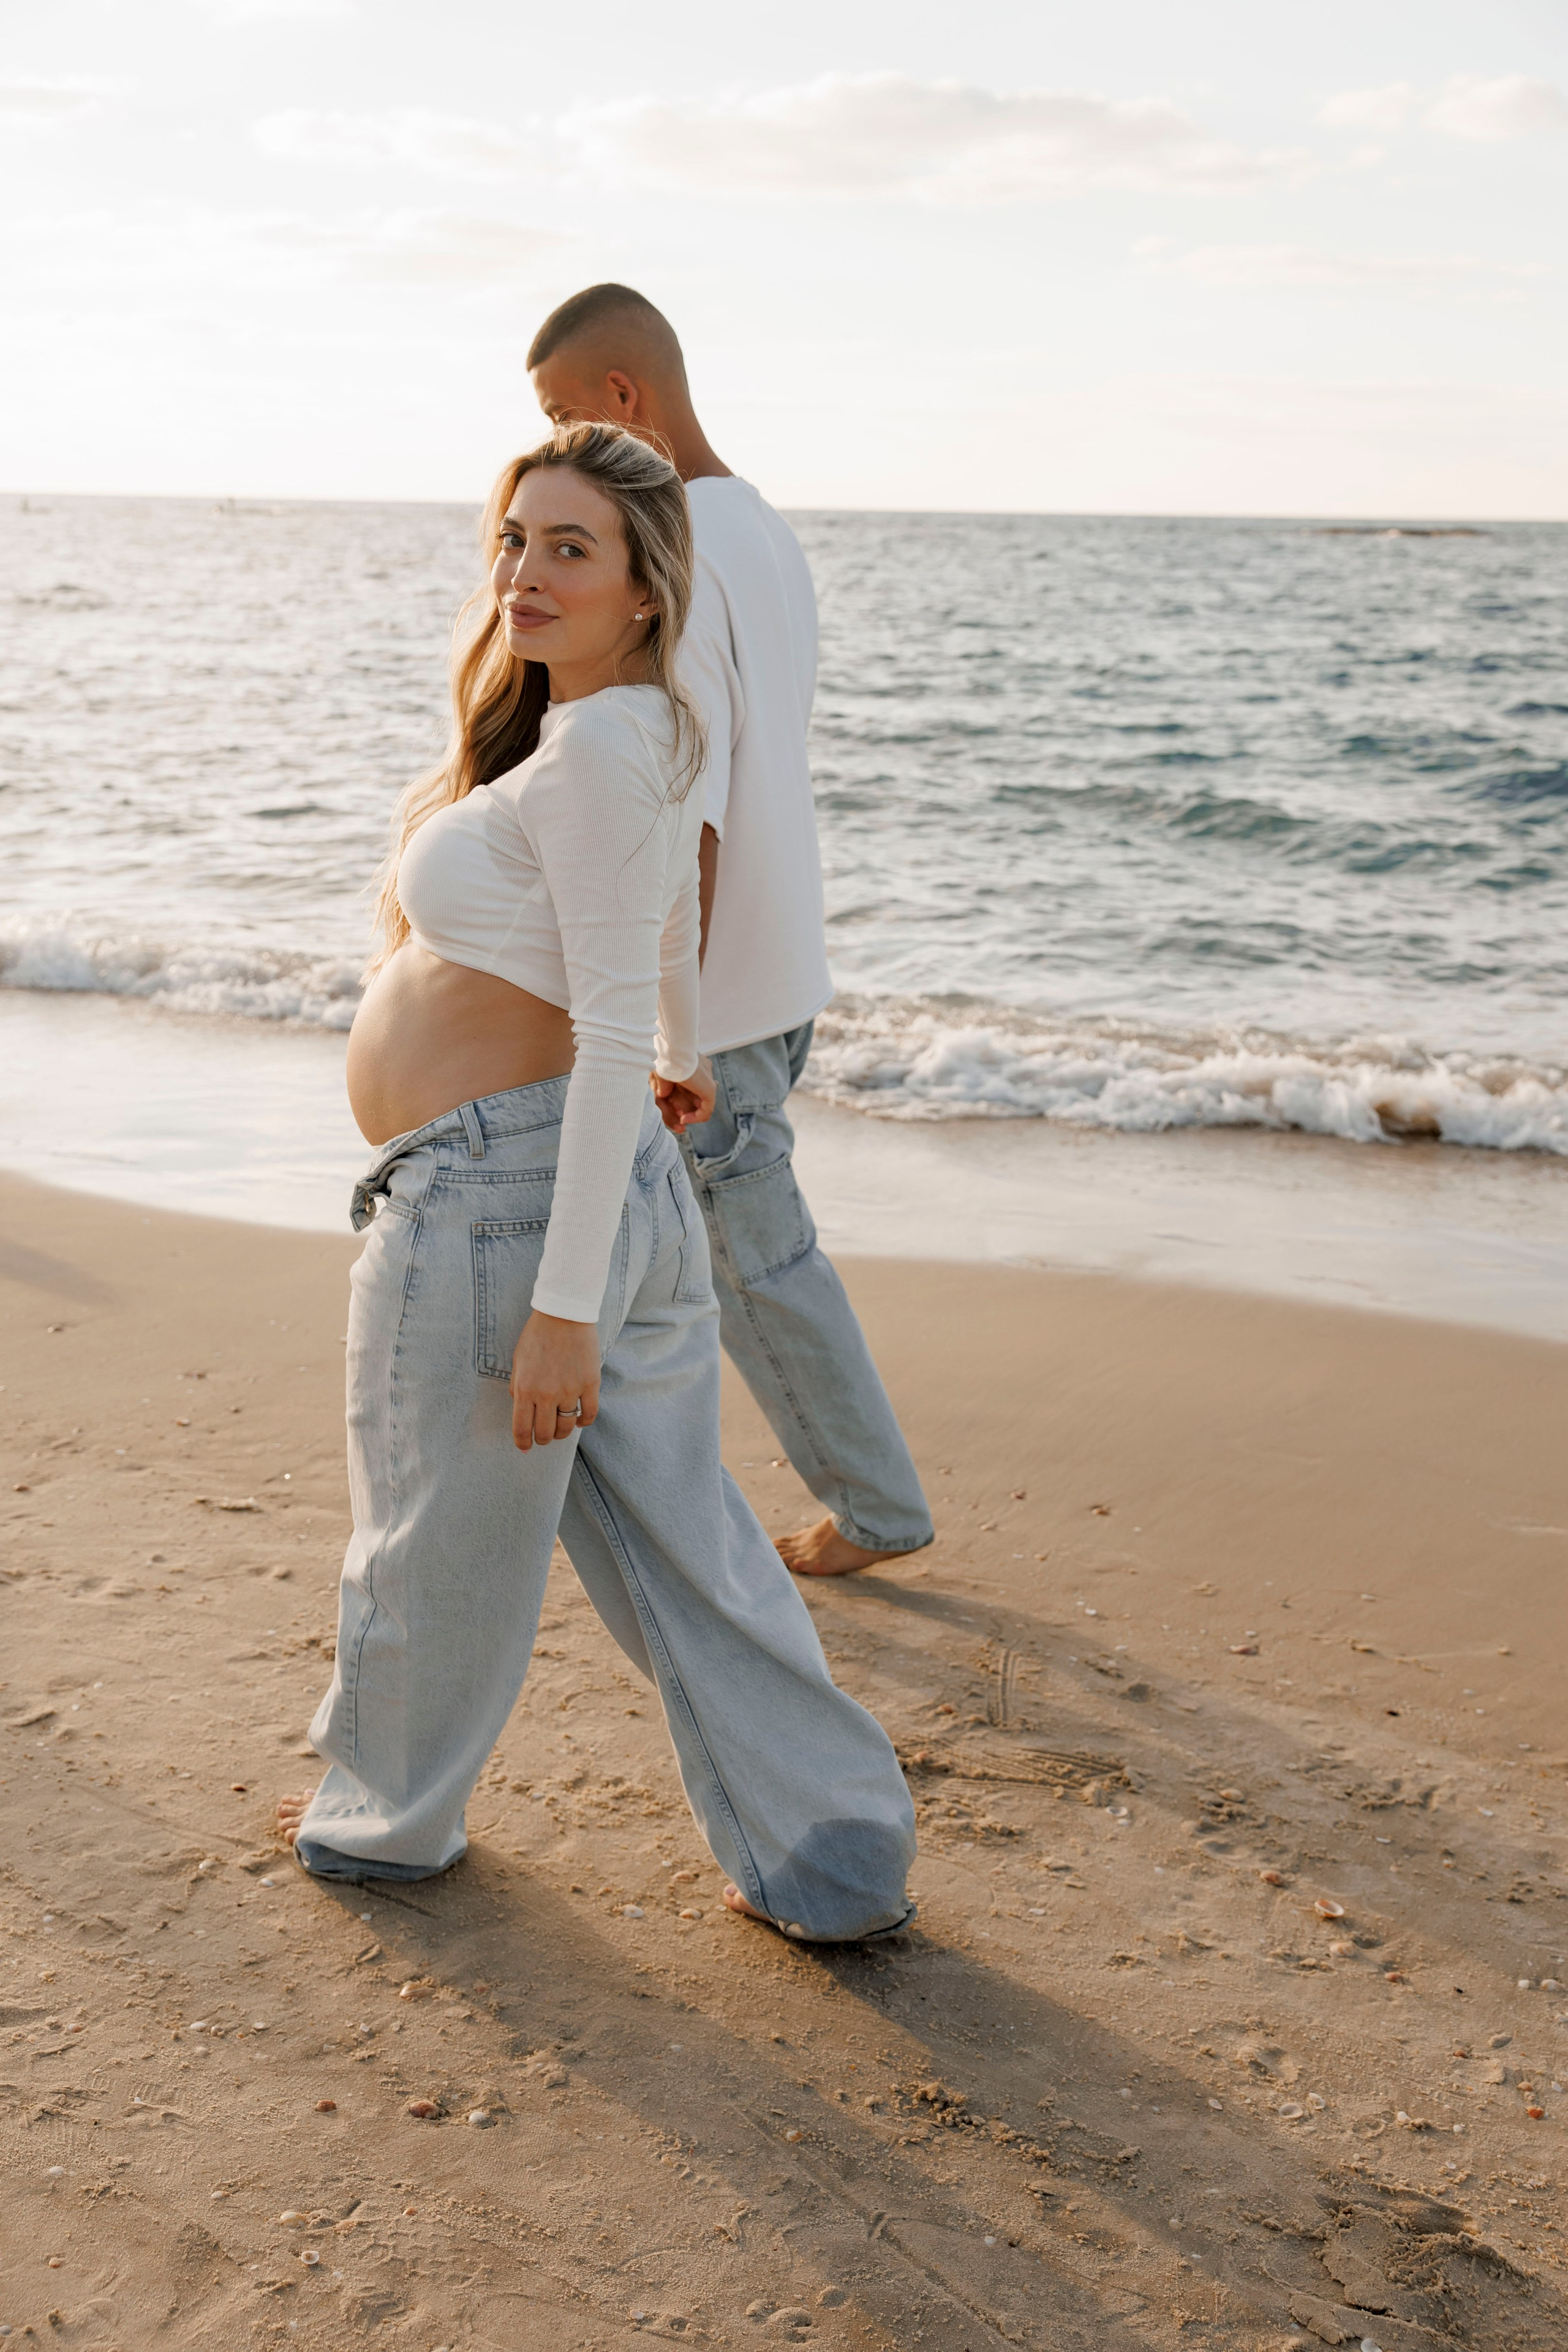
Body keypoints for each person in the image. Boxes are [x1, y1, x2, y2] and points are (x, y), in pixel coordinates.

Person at [276, 421, 914, 1943]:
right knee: (685, 1550)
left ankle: (383, 1831)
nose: (525, 573)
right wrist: (674, 1061)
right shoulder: (636, 734)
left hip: (507, 1211)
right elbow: (651, 950)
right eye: (514, 540)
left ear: (644, 590)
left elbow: (614, 1006)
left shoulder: (606, 744)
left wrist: (563, 1308)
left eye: (571, 549)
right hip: (576, 1172)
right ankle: (832, 1857)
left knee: (435, 1543)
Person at [527, 286, 933, 1580]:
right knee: (702, 1249)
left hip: (726, 986)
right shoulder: (759, 523)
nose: (560, 440)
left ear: (624, 400)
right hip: (780, 954)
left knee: (759, 1264)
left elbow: (686, 804)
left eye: (561, 412)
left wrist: (669, 1026)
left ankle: (874, 1508)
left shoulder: (678, 556)